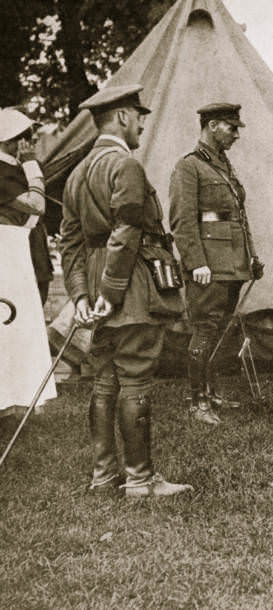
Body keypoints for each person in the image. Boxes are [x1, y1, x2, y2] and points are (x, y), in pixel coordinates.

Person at [59, 84, 192, 498]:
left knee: (104, 378)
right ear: (121, 118)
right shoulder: (126, 166)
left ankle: (104, 476)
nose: (141, 123)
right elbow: (127, 229)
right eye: (138, 115)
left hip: (98, 286)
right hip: (129, 285)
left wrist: (82, 295)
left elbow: (71, 243)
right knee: (134, 376)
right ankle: (140, 479)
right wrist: (112, 292)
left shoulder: (77, 173)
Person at [169, 102, 263, 426]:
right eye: (231, 127)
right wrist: (195, 262)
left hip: (233, 264)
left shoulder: (223, 165)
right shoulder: (190, 167)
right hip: (208, 266)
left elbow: (236, 217)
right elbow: (183, 220)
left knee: (220, 330)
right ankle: (197, 403)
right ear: (212, 126)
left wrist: (250, 256)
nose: (237, 134)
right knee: (205, 329)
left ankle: (211, 392)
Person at [0, 108, 53, 304]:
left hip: (34, 250)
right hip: (13, 255)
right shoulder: (5, 170)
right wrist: (30, 162)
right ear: (9, 141)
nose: (33, 142)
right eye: (28, 137)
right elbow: (36, 205)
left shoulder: (18, 166)